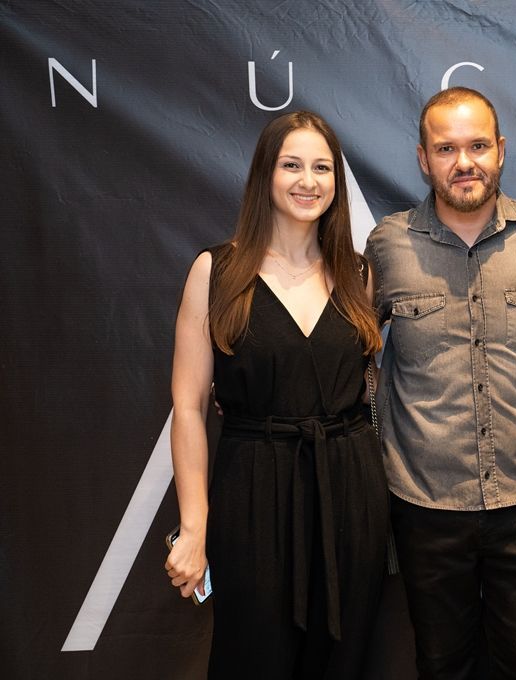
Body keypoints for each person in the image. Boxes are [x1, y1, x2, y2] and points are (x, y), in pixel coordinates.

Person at [165, 110, 389, 678]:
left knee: (343, 660)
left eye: (322, 167)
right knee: (254, 658)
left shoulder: (358, 274)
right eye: (292, 165)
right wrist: (195, 527)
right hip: (252, 492)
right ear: (265, 173)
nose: (307, 181)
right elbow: (189, 408)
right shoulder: (216, 272)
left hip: (350, 490)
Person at [365, 87, 516, 680]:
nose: (464, 162)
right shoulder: (388, 243)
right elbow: (347, 345)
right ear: (423, 159)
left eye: (478, 145)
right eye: (446, 148)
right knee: (442, 664)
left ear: (501, 150)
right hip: (426, 503)